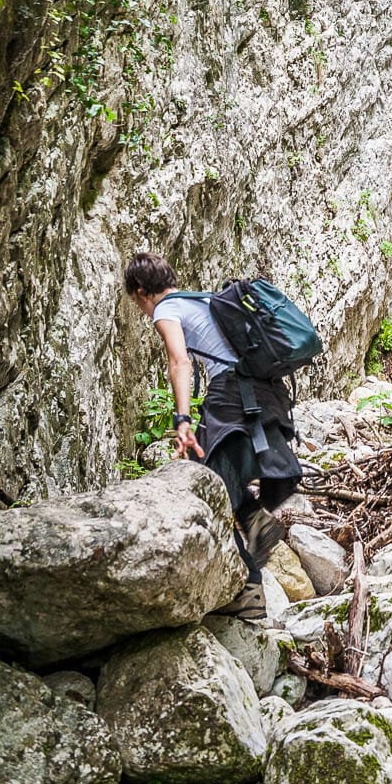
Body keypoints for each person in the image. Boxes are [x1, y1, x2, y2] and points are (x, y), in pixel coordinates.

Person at [124, 251, 302, 619]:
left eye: (136, 301)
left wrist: (183, 419)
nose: (141, 310)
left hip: (230, 394)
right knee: (219, 476)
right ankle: (256, 527)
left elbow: (180, 361)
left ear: (141, 291)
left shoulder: (165, 310)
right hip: (263, 392)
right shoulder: (204, 299)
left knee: (210, 482)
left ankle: (249, 586)